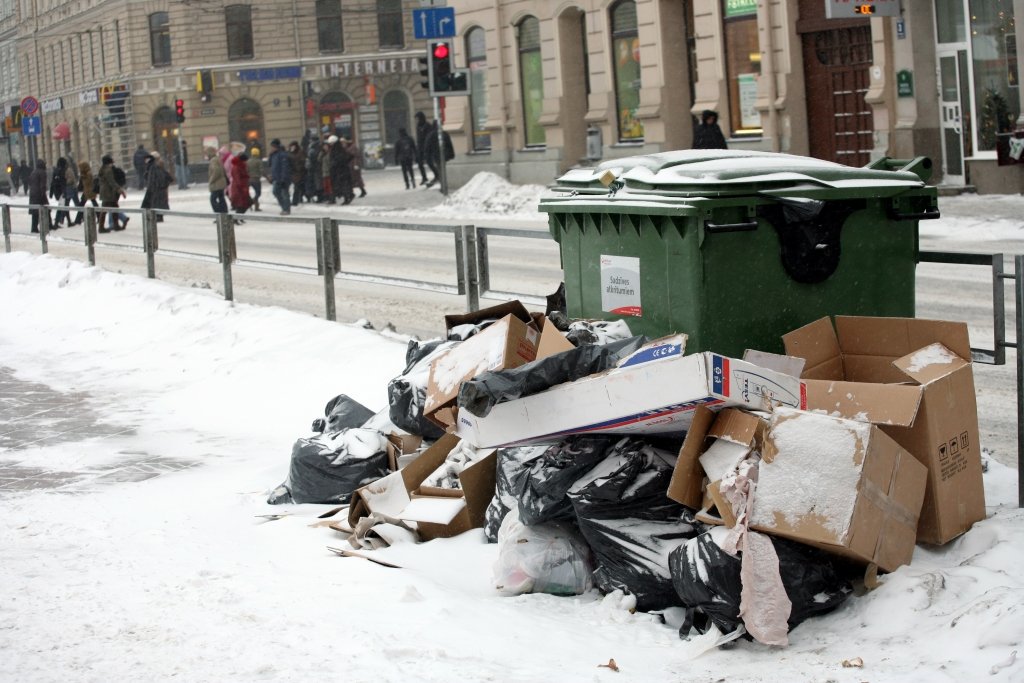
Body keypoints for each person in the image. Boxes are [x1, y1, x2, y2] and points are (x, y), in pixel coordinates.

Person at [98, 155, 127, 232]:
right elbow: (112, 182)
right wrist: (120, 190)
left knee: (113, 207)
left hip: (104, 191)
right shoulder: (108, 170)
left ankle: (115, 225)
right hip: (108, 192)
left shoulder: (102, 169)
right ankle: (102, 227)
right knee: (107, 209)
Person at [142, 151, 174, 221]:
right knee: (158, 202)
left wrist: (152, 186)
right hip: (159, 187)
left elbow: (153, 177)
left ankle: (157, 216)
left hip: (156, 187)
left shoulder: (154, 166)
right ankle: (158, 216)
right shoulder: (157, 165)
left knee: (155, 202)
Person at [423, 121, 453, 188]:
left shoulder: (430, 135)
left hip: (435, 156)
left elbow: (427, 147)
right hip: (444, 155)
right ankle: (444, 185)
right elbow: (449, 145)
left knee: (440, 170)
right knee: (442, 170)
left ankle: (443, 185)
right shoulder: (444, 134)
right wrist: (451, 154)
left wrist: (427, 156)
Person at [327, 135, 353, 205]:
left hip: (340, 170)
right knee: (343, 185)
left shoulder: (337, 150)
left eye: (331, 143)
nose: (330, 144)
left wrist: (335, 163)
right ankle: (347, 196)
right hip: (341, 170)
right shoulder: (338, 149)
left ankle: (347, 197)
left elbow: (341, 158)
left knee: (342, 185)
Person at [268, 138, 291, 215]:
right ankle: (284, 207)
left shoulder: (282, 155)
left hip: (283, 178)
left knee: (285, 194)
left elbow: (285, 167)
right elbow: (270, 165)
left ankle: (286, 209)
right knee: (276, 192)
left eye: (272, 146)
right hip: (276, 178)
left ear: (276, 146)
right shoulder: (273, 155)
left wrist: (283, 178)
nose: (271, 148)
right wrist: (270, 155)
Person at [27, 159, 50, 233]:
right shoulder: (42, 172)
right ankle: (48, 225)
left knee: (35, 211)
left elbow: (29, 182)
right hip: (39, 194)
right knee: (45, 209)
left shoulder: (33, 172)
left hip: (33, 194)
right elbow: (42, 184)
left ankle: (34, 227)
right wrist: (43, 193)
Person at [227, 151, 252, 217]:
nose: (246, 162)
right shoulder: (237, 167)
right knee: (241, 204)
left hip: (242, 187)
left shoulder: (241, 166)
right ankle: (237, 218)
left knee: (244, 204)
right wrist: (242, 187)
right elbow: (237, 178)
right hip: (239, 188)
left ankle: (239, 218)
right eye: (245, 161)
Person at [206, 146, 228, 215]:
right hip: (221, 183)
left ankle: (218, 214)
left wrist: (211, 180)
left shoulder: (213, 160)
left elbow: (216, 171)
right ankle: (224, 213)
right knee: (221, 198)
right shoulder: (217, 159)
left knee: (213, 199)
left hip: (217, 184)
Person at [49, 157, 69, 228]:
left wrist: (51, 193)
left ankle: (68, 220)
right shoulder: (62, 171)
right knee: (61, 206)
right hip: (61, 191)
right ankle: (56, 223)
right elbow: (62, 182)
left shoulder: (55, 170)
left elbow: (52, 182)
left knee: (64, 205)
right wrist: (64, 192)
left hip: (56, 191)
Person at [414, 111, 431, 186]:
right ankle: (424, 177)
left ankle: (437, 175)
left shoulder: (427, 125)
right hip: (420, 147)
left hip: (427, 146)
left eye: (417, 118)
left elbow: (429, 136)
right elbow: (418, 138)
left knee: (430, 162)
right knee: (420, 163)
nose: (416, 120)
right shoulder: (418, 126)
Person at [288, 141, 306, 206]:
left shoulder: (300, 152)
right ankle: (292, 200)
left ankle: (295, 200)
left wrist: (299, 167)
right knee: (289, 187)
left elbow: (302, 161)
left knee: (297, 187)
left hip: (298, 172)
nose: (292, 148)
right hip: (291, 172)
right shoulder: (289, 153)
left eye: (293, 146)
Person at [246, 146, 264, 211]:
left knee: (248, 192)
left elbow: (246, 170)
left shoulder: (248, 161)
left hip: (249, 179)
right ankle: (253, 202)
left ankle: (256, 207)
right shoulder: (259, 161)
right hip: (256, 179)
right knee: (258, 193)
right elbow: (261, 170)